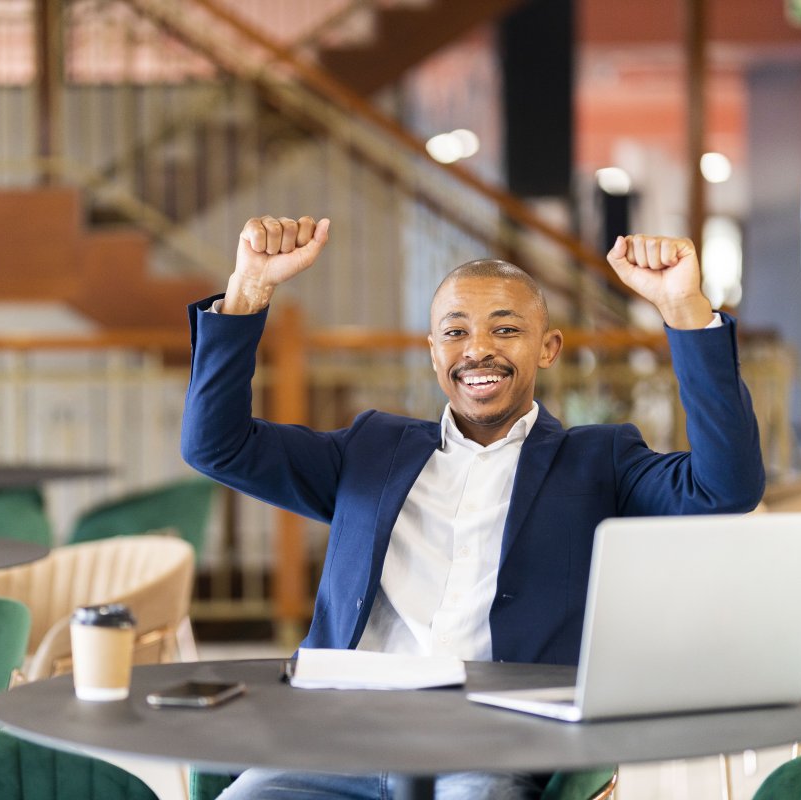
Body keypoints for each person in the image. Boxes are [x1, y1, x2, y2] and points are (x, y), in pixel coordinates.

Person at [180, 215, 765, 799]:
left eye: (506, 330)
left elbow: (726, 486)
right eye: (455, 332)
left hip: (494, 745)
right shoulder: (370, 450)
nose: (478, 350)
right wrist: (249, 290)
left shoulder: (599, 461)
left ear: (547, 348)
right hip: (344, 734)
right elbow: (215, 444)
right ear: (434, 353)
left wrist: (683, 308)